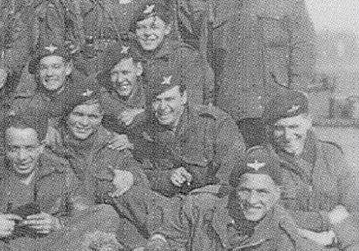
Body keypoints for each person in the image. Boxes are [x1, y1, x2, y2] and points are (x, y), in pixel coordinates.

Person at [201, 0, 316, 147]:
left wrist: (297, 96)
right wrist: (208, 105)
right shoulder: (217, 1)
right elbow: (207, 58)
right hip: (230, 108)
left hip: (273, 106)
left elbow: (303, 47)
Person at [49, 79, 185, 251]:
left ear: (100, 119)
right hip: (63, 226)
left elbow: (139, 179)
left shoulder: (111, 145)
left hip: (103, 226)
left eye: (92, 116)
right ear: (66, 115)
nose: (84, 123)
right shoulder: (51, 143)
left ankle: (162, 238)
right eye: (78, 114)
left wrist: (131, 176)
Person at [0, 111, 121, 251]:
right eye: (14, 149)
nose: (22, 157)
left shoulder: (62, 173)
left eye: (29, 148)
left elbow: (84, 215)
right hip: (6, 248)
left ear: (41, 147)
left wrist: (56, 224)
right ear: (5, 148)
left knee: (106, 213)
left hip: (56, 245)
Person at [169, 146, 323, 250]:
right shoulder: (201, 205)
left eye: (262, 192)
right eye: (245, 190)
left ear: (277, 193)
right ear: (234, 190)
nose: (252, 200)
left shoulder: (283, 236)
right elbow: (168, 237)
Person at [132, 60, 244, 198]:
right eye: (157, 100)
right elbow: (136, 173)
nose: (162, 107)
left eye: (169, 99)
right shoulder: (144, 129)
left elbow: (228, 179)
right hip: (167, 205)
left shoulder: (216, 124)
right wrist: (166, 177)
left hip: (208, 203)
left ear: (183, 97)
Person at [264, 90, 359, 250]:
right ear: (270, 129)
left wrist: (336, 236)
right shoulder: (263, 160)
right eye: (279, 128)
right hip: (290, 243)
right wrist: (324, 222)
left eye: (294, 126)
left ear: (308, 122)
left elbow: (353, 205)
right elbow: (267, 214)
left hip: (337, 239)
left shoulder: (331, 154)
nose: (287, 136)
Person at [131, 0, 211, 105]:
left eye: (154, 27)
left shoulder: (184, 56)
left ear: (167, 29)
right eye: (141, 28)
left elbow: (193, 104)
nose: (147, 33)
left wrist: (143, 115)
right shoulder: (131, 54)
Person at [12, 40, 87, 123]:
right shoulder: (23, 104)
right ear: (37, 72)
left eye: (56, 67)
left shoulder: (80, 101)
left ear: (68, 69)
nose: (49, 73)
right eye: (43, 68)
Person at [97, 41, 147, 135]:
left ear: (139, 70)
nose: (119, 80)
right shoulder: (104, 95)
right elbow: (125, 119)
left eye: (125, 73)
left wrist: (142, 113)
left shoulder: (151, 92)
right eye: (114, 73)